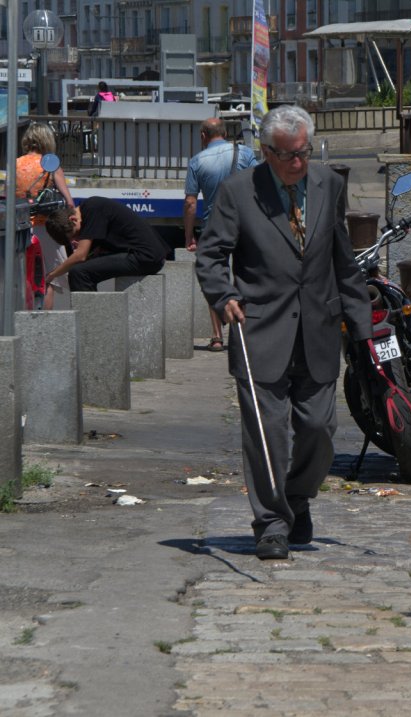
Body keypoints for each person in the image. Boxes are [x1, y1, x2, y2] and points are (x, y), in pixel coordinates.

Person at [194, 105, 373, 561]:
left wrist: (362, 325)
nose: (298, 163)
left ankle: (297, 497)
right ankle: (271, 523)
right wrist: (223, 295)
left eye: (304, 153)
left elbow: (342, 259)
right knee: (267, 433)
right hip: (260, 330)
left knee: (319, 428)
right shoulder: (238, 192)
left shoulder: (328, 184)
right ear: (267, 152)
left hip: (318, 328)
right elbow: (211, 255)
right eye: (288, 155)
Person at [184, 117, 259, 351]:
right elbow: (259, 185)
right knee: (247, 276)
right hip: (246, 224)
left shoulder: (197, 161)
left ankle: (217, 336)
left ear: (204, 136)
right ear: (225, 134)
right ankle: (248, 330)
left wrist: (189, 237)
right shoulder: (245, 153)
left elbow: (190, 203)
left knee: (215, 279)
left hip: (212, 226)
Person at [44, 197, 170, 291]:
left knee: (79, 273)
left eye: (76, 234)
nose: (77, 238)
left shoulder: (92, 209)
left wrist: (52, 275)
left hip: (145, 257)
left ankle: (89, 320)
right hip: (147, 255)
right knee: (85, 267)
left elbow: (80, 256)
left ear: (73, 219)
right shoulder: (91, 208)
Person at [15, 122, 77, 310]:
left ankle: (24, 318)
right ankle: (44, 325)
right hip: (46, 229)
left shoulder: (15, 164)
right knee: (48, 277)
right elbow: (69, 201)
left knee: (26, 276)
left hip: (21, 228)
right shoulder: (50, 164)